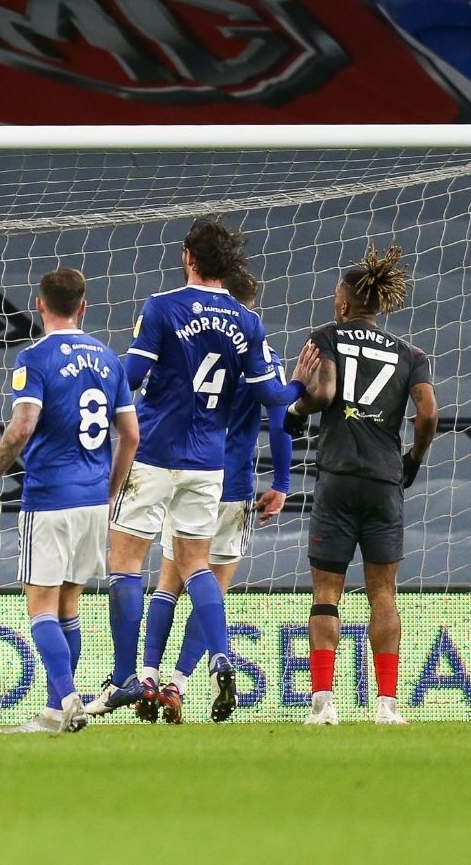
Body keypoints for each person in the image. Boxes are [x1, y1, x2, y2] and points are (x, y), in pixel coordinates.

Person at [90, 216, 318, 723]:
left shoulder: (162, 307)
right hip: (209, 467)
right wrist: (300, 385)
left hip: (153, 454)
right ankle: (218, 656)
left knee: (126, 563)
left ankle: (129, 677)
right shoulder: (248, 323)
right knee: (197, 568)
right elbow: (275, 401)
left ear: (188, 258)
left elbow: (129, 378)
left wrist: (91, 377)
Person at [0, 268, 139, 734]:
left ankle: (67, 699)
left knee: (40, 606)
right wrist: (110, 488)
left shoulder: (34, 358)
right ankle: (54, 711)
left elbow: (23, 425)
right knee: (68, 607)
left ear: (39, 304)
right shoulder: (109, 358)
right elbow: (131, 435)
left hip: (50, 498)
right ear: (84, 306)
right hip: (92, 502)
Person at [135, 267, 294, 724]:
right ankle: (181, 684)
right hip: (236, 486)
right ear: (251, 306)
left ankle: (149, 675)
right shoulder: (264, 356)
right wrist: (281, 484)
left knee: (170, 581)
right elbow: (281, 418)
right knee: (212, 589)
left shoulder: (190, 340)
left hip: (191, 473)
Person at [287, 242, 436, 726]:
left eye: (336, 295)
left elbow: (323, 392)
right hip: (382, 480)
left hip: (336, 479)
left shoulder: (327, 336)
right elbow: (428, 414)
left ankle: (323, 704)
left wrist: (295, 409)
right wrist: (412, 458)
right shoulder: (410, 354)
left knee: (326, 592)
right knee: (383, 592)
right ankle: (387, 706)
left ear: (346, 303)